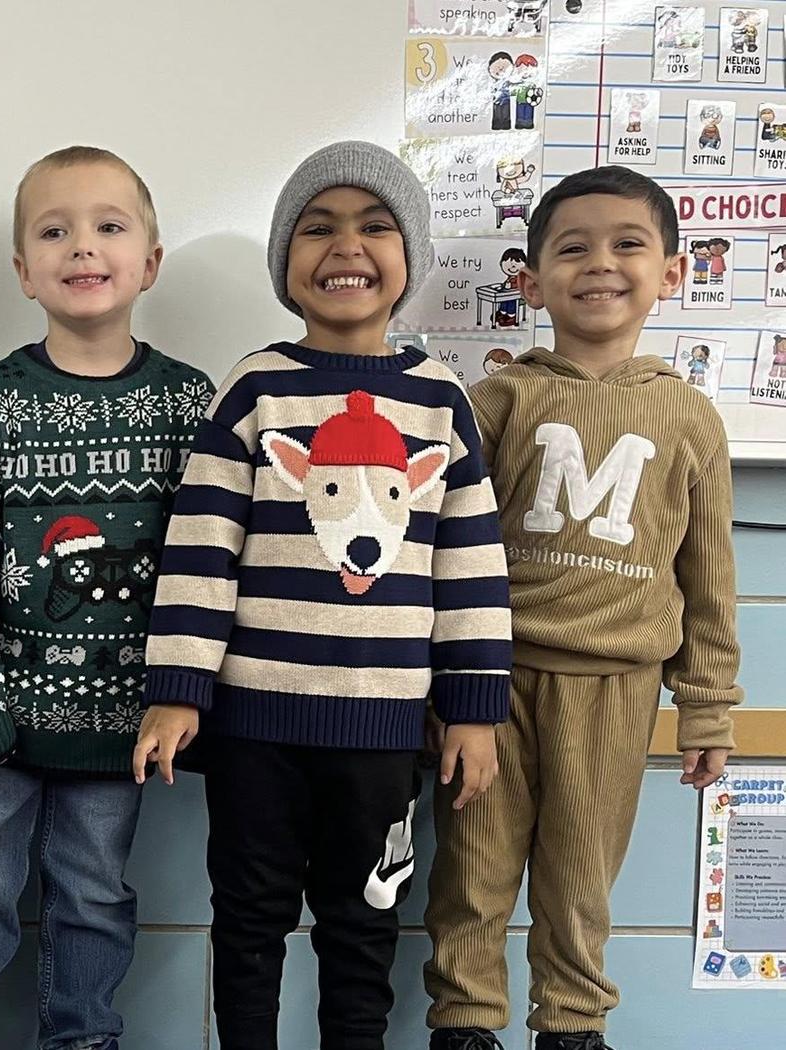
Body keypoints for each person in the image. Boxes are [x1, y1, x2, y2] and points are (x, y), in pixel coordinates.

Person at [138, 140, 513, 1048]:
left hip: (384, 732)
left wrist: (473, 708)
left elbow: (470, 560)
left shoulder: (439, 400)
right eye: (318, 229)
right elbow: (201, 546)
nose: (346, 247)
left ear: (409, 261)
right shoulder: (256, 388)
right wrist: (177, 688)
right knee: (250, 923)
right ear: (286, 265)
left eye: (374, 227)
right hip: (254, 728)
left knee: (364, 924)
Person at [424, 165, 742, 1050]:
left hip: (617, 687)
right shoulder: (496, 400)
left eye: (627, 244)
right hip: (492, 688)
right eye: (573, 247)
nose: (600, 263)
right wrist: (440, 685)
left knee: (580, 886)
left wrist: (707, 705)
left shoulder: (691, 419)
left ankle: (571, 1027)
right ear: (530, 282)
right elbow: (441, 554)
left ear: (673, 273)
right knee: (474, 877)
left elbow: (710, 577)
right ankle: (464, 1022)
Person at [0, 145, 213, 1050]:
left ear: (150, 262)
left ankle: (83, 1038)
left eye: (108, 227)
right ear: (23, 270)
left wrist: (186, 696)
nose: (82, 247)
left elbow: (208, 568)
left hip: (122, 727)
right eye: (54, 231)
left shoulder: (186, 404)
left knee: (94, 894)